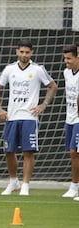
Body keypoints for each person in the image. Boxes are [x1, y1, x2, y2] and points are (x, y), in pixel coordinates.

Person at [0, 39, 57, 196]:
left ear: (32, 53)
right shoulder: (9, 69)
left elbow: (53, 86)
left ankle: (26, 185)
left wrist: (43, 105)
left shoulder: (38, 69)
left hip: (29, 117)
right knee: (9, 151)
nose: (24, 55)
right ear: (17, 52)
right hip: (12, 117)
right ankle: (13, 182)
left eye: (27, 52)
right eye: (21, 52)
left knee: (28, 152)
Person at [61, 44, 79, 200]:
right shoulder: (66, 73)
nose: (66, 61)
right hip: (70, 118)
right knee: (72, 154)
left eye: (69, 58)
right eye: (65, 58)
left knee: (76, 152)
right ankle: (74, 186)